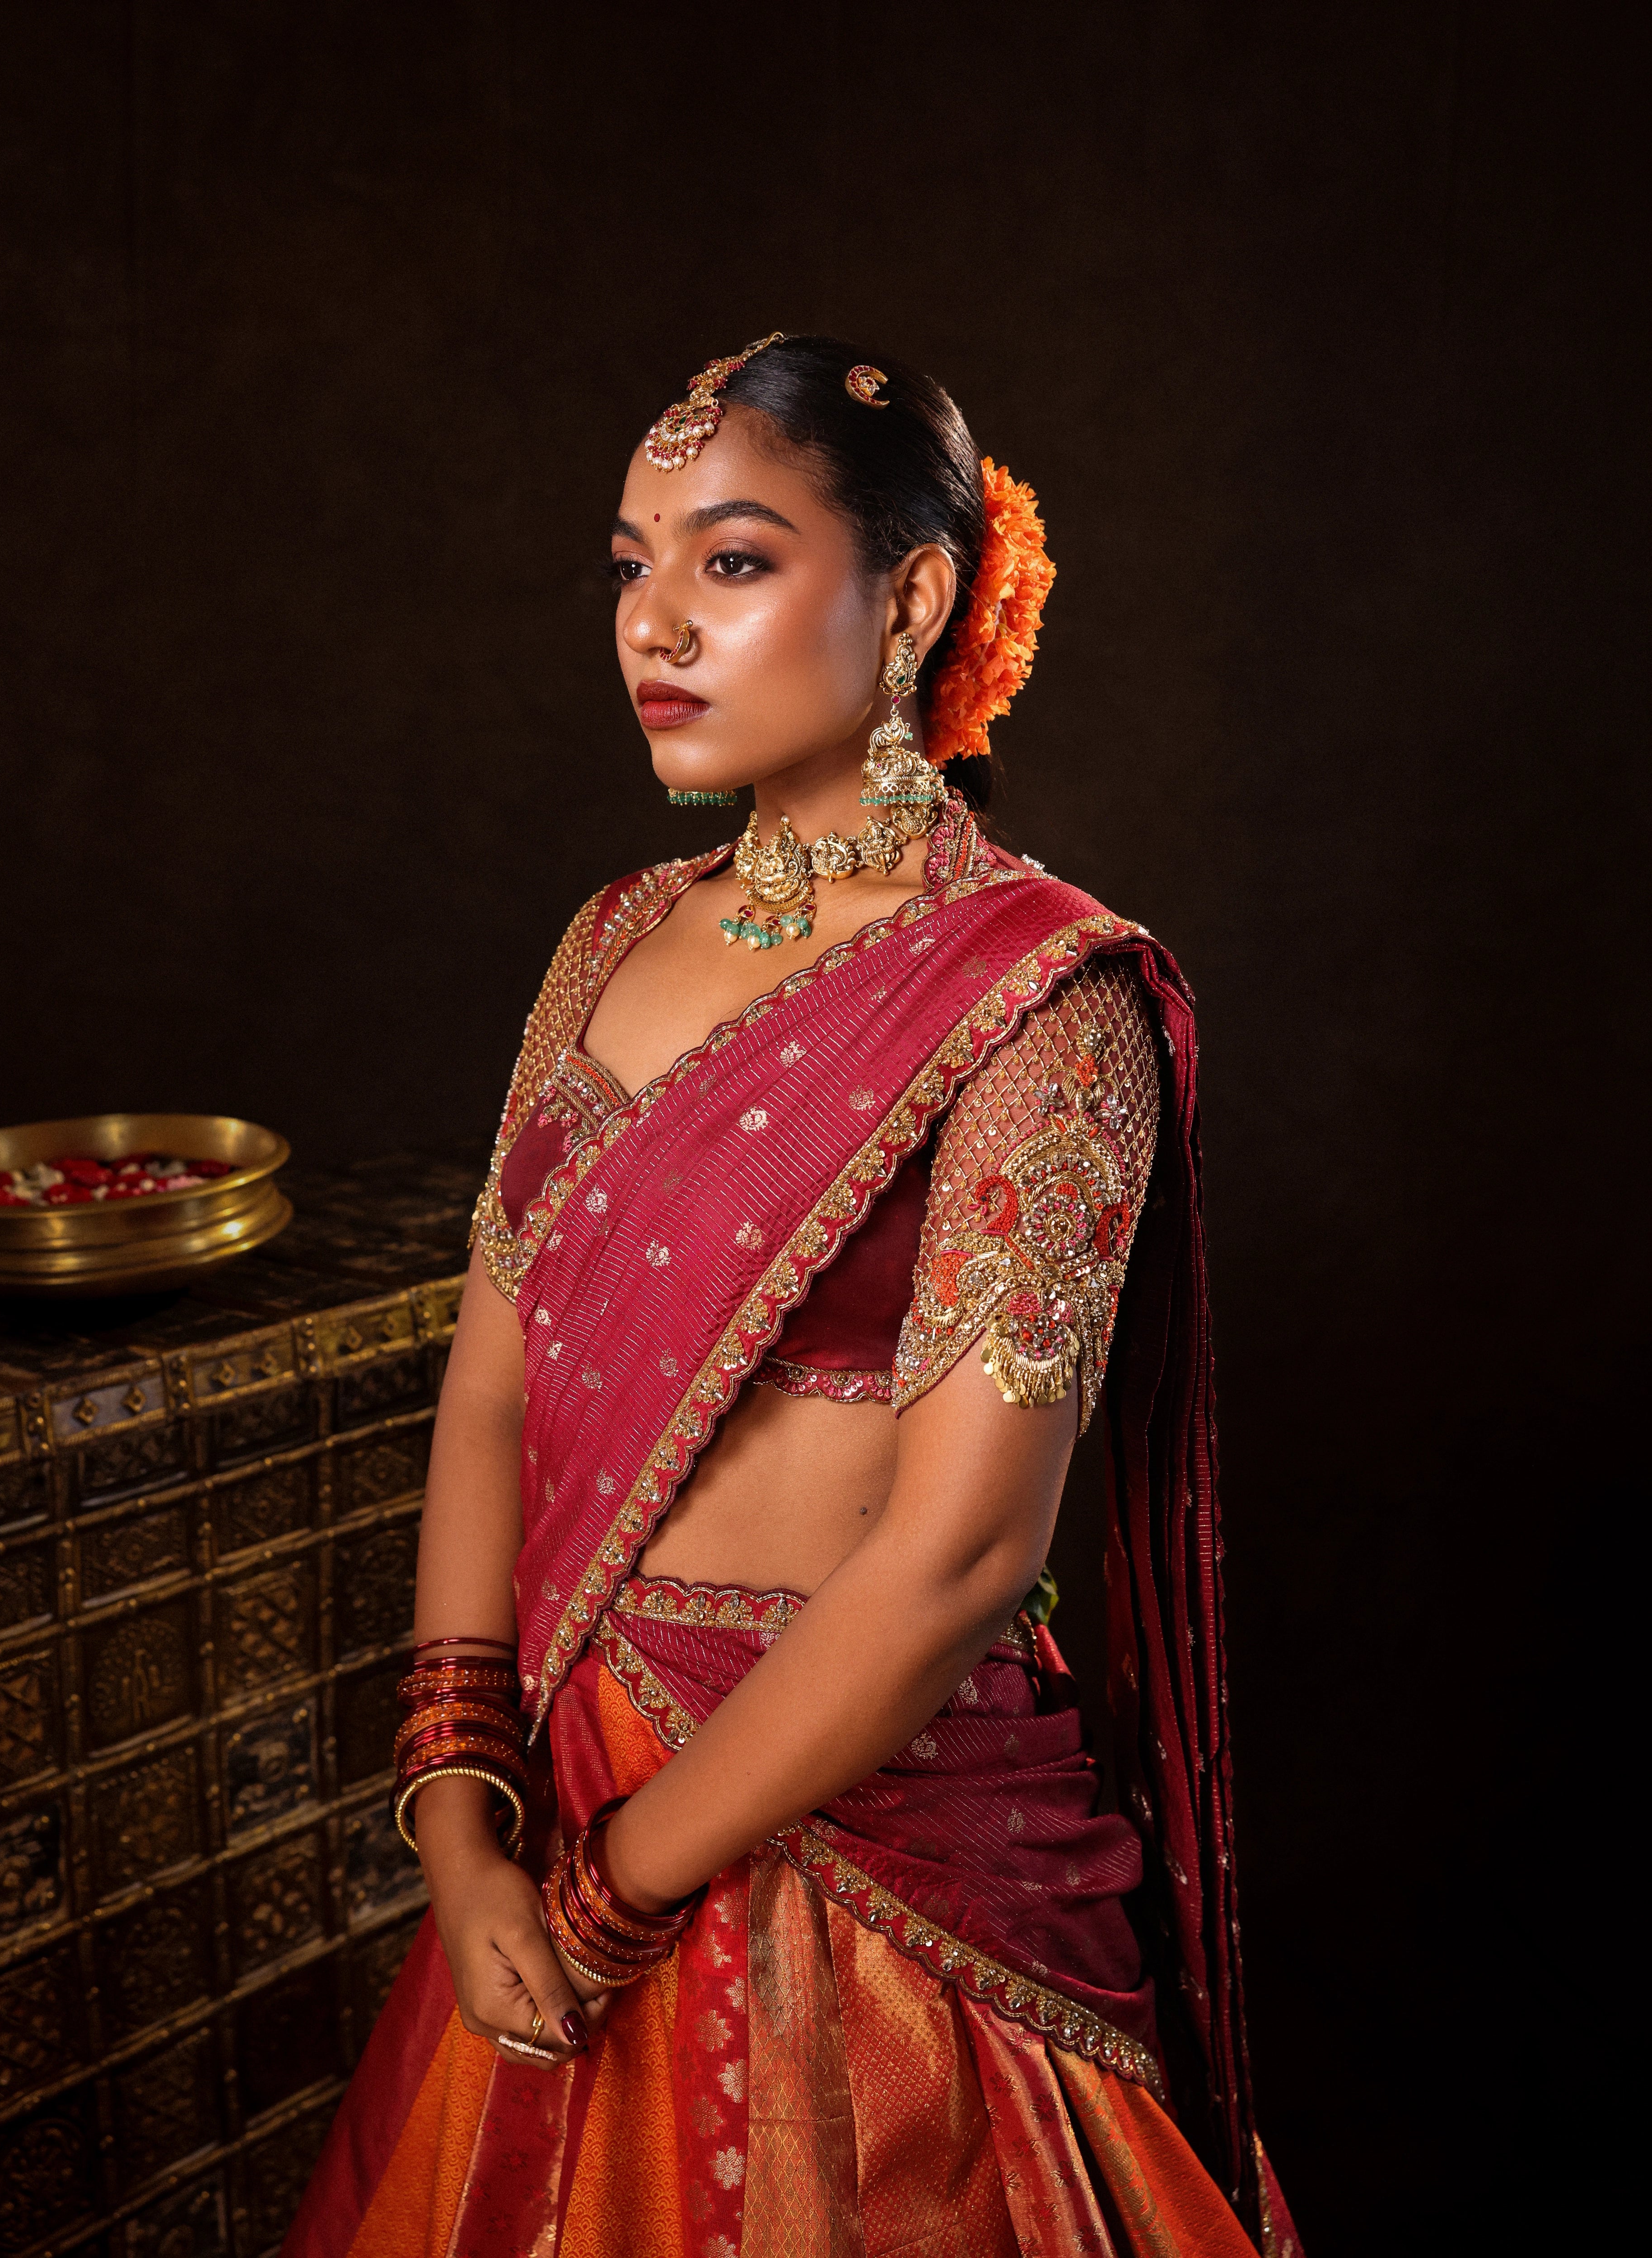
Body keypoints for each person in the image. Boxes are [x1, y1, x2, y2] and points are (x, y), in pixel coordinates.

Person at [286, 334, 1303, 2258]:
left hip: (867, 1836)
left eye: (734, 561)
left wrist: (600, 1895)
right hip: (558, 1776)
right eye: (630, 562)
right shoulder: (606, 941)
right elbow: (492, 1393)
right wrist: (457, 1811)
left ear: (911, 596)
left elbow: (960, 1555)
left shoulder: (1039, 1001)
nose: (655, 620)